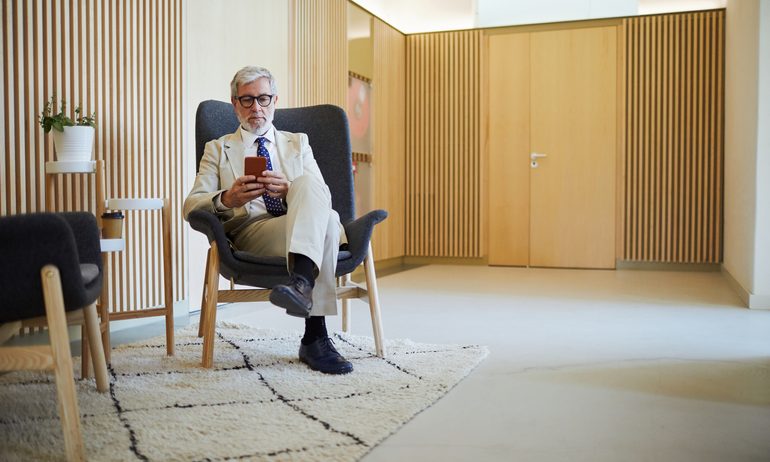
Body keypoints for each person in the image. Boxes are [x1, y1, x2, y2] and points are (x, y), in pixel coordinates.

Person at [183, 66, 352, 374]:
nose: (256, 108)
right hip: (252, 232)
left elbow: (322, 195)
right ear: (235, 104)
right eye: (247, 100)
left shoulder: (298, 143)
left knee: (318, 205)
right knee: (326, 224)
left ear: (275, 101)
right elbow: (191, 206)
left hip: (298, 223)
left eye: (263, 98)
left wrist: (289, 191)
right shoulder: (218, 149)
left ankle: (301, 284)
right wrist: (227, 198)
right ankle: (316, 337)